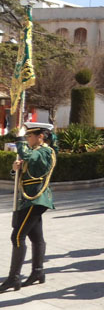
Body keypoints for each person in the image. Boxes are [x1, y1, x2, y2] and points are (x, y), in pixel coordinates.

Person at [1, 122, 56, 293]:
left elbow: (30, 158)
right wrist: (14, 169)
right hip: (28, 199)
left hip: (36, 199)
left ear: (40, 136)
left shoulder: (45, 151)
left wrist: (18, 140)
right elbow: (25, 171)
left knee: (17, 236)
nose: (27, 139)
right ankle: (38, 272)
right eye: (26, 137)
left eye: (29, 136)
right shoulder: (34, 152)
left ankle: (14, 278)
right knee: (36, 237)